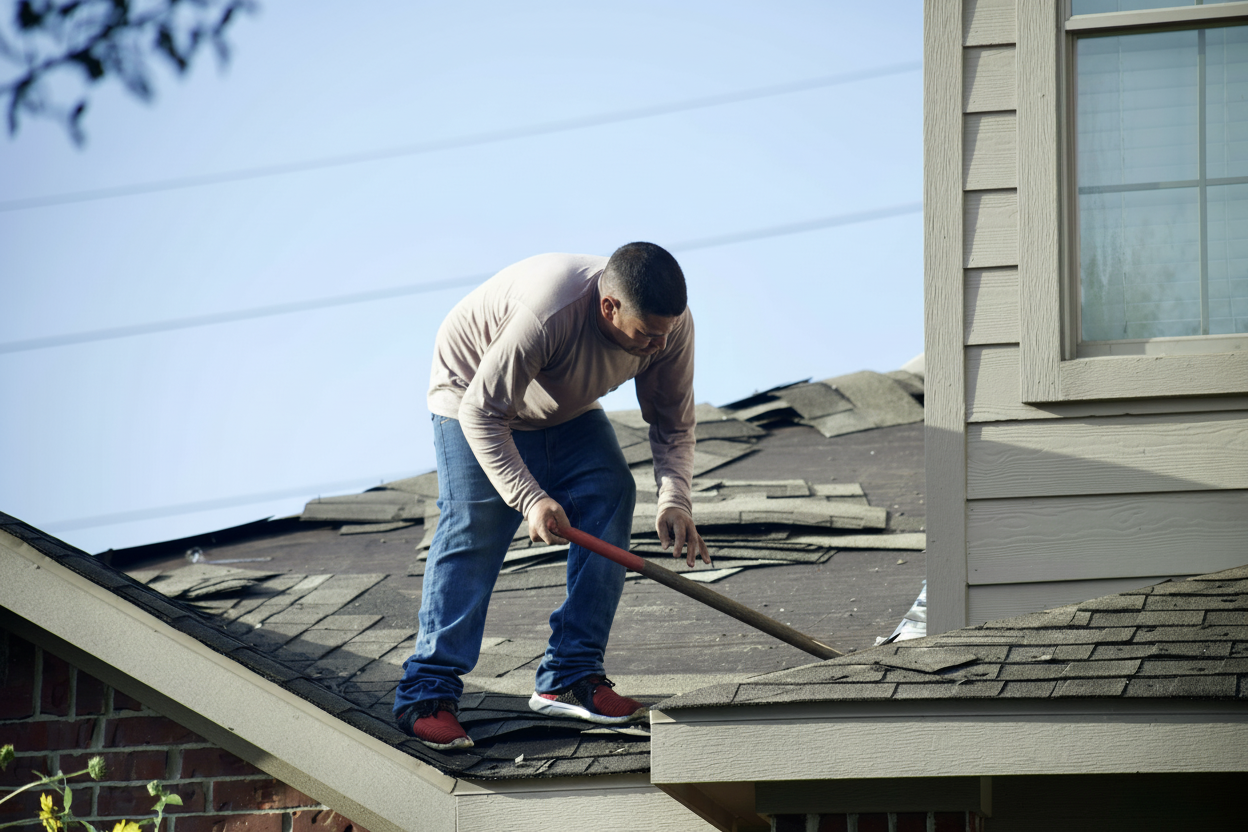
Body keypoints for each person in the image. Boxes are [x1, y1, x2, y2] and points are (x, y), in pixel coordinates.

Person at [392, 242, 710, 751]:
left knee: (610, 491)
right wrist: (529, 496)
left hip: (559, 405)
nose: (656, 346)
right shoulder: (548, 312)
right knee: (475, 527)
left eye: (664, 333)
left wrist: (675, 498)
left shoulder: (668, 328)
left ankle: (570, 675)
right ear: (609, 307)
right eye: (647, 334)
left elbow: (673, 423)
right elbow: (482, 413)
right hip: (472, 394)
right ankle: (426, 693)